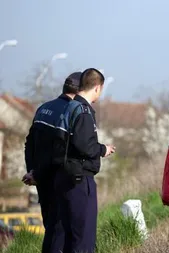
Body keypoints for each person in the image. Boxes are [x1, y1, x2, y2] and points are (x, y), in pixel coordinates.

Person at [54, 68, 116, 253]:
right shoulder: (83, 111)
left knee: (70, 237)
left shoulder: (69, 107)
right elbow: (84, 146)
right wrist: (103, 149)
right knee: (84, 239)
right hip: (80, 180)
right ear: (97, 87)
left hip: (64, 176)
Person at [22, 71, 82, 253]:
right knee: (59, 230)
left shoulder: (43, 108)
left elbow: (29, 143)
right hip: (57, 178)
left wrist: (32, 172)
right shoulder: (70, 111)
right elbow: (59, 151)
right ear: (79, 91)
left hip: (40, 178)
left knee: (50, 228)